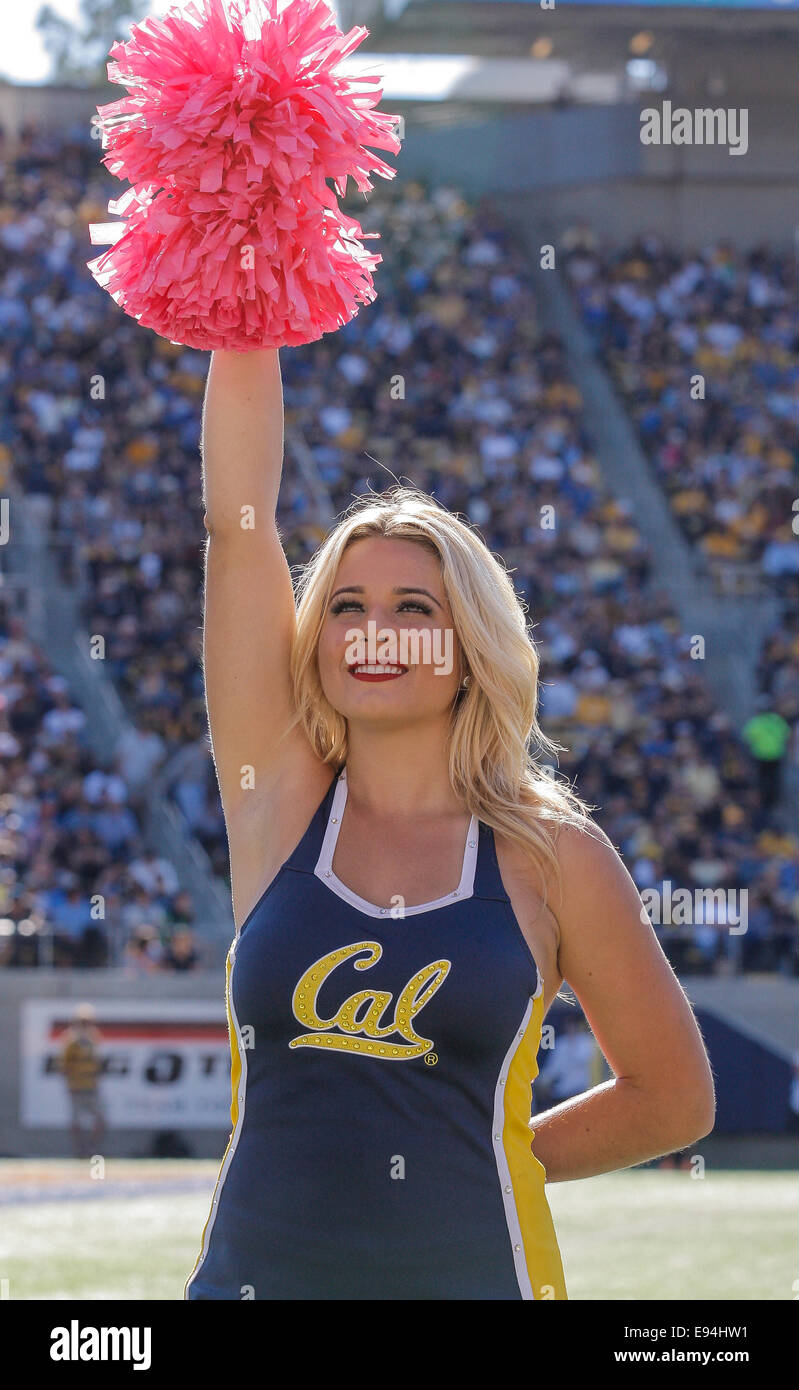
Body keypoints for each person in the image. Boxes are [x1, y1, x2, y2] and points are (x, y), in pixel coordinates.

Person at [184, 348, 715, 1301]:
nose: (372, 630)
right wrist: (245, 304)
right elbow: (237, 528)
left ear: (468, 647)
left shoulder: (552, 857)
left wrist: (499, 1159)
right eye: (345, 607)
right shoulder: (279, 804)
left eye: (411, 609)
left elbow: (672, 1098)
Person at [56, 1002, 105, 1159]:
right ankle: (80, 1150)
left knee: (100, 1119)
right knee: (76, 1121)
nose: (86, 1025)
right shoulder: (71, 1040)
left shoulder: (93, 1038)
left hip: (91, 1086)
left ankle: (91, 1148)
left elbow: (97, 1062)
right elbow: (63, 1065)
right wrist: (70, 1083)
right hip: (77, 1086)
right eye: (83, 1022)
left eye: (88, 1021)